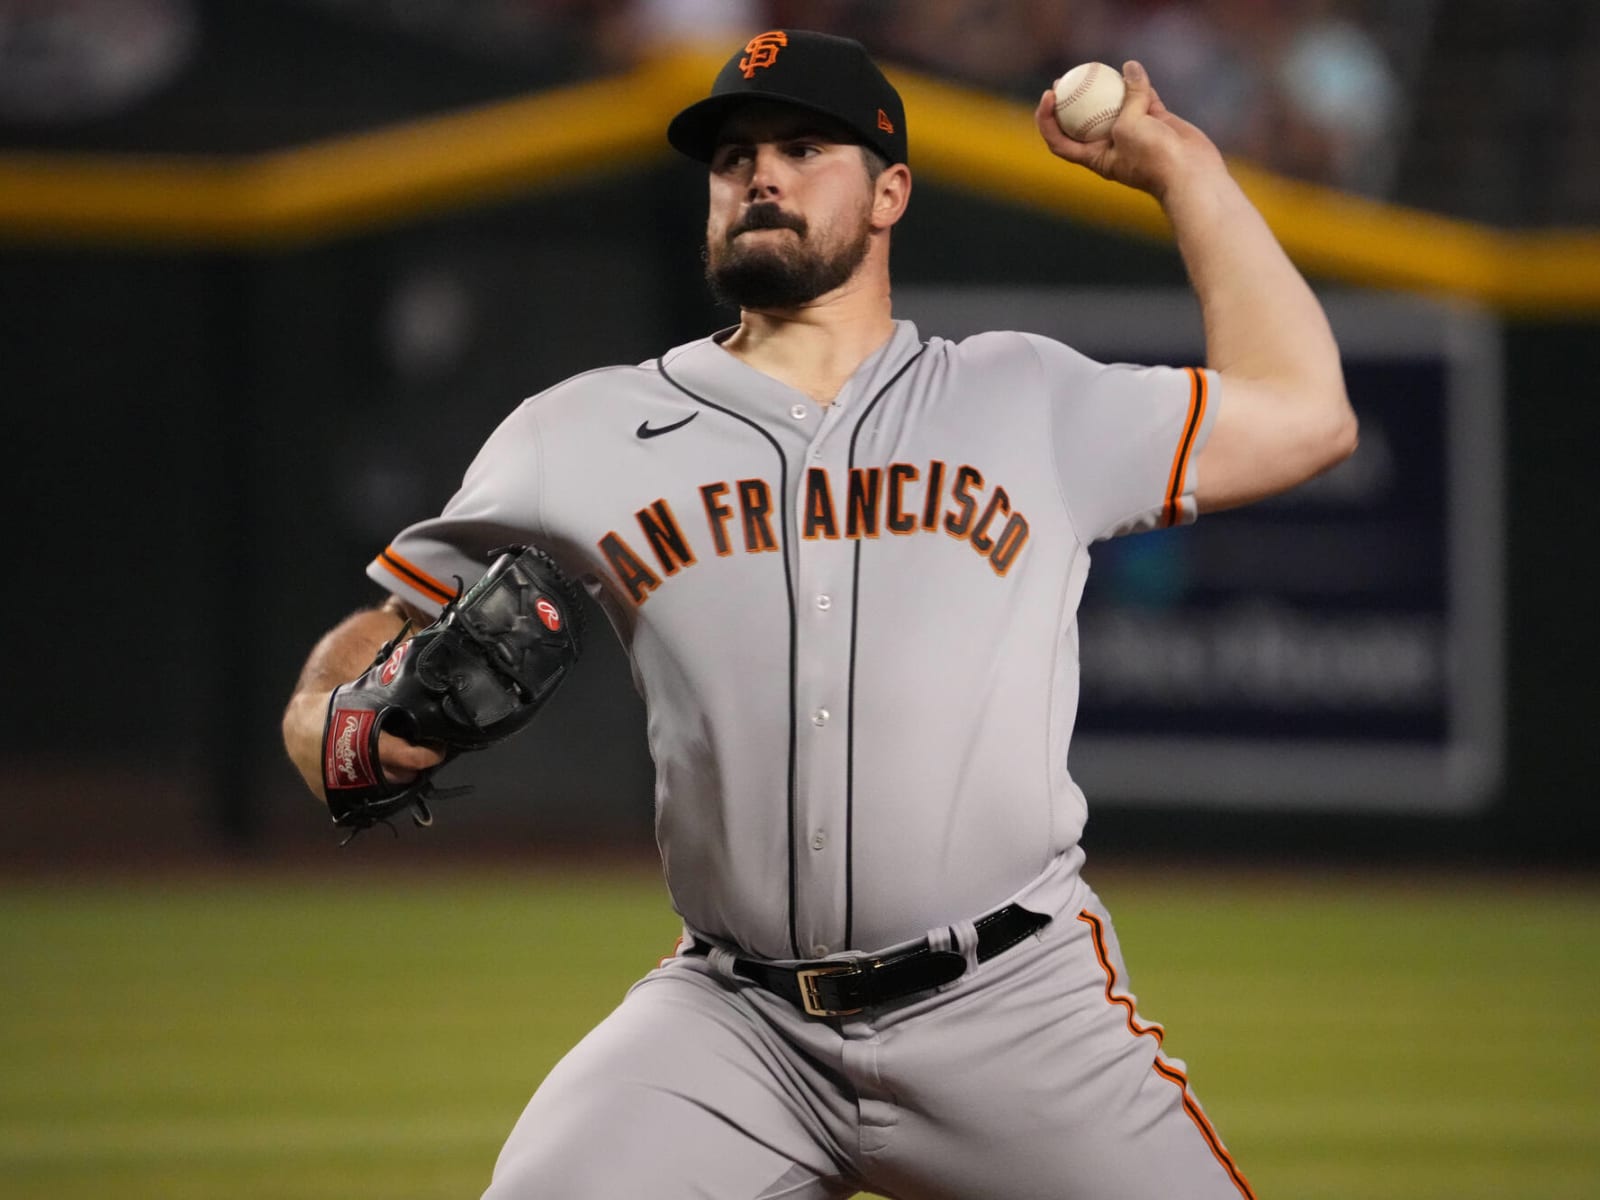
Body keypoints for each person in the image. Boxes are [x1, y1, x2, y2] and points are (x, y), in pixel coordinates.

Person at [282, 28, 1354, 1200]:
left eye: (803, 146)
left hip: (1015, 1008)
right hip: (733, 1029)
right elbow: (382, 624)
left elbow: (1306, 414)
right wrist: (329, 723)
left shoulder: (1025, 397)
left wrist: (1185, 171)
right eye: (732, 155)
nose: (761, 175)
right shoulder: (577, 430)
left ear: (891, 190)